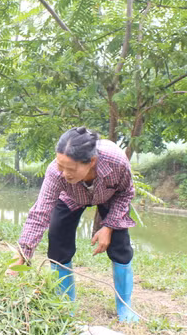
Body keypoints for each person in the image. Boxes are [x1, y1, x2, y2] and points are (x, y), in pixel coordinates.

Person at [8, 126, 139, 322]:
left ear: (91, 162)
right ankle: (65, 305)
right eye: (61, 166)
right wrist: (22, 255)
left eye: (70, 168)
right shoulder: (56, 172)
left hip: (109, 197)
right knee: (58, 241)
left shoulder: (116, 161)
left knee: (120, 247)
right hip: (71, 197)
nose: (64, 174)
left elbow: (126, 193)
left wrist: (109, 226)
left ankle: (124, 307)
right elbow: (40, 213)